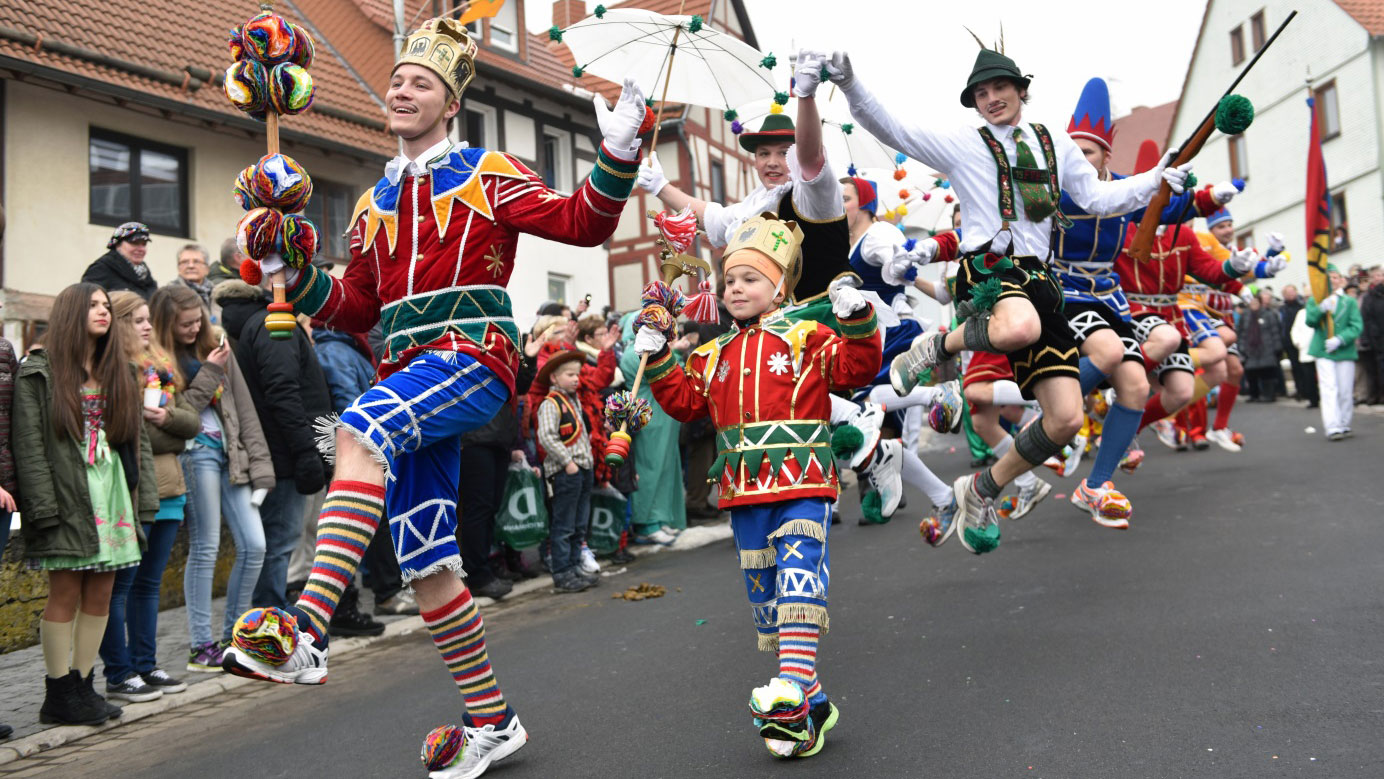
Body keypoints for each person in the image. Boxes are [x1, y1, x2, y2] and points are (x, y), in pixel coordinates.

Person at [219, 19, 647, 778]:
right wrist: (285, 268)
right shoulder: (374, 199)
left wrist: (616, 153)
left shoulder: (488, 170)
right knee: (427, 562)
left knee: (359, 426)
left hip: (471, 357)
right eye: (397, 82)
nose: (401, 90)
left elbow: (582, 223)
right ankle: (493, 720)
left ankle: (308, 629)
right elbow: (352, 305)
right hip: (407, 369)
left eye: (420, 83)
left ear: (451, 103)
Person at [831, 42, 1190, 551]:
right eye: (982, 92)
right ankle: (938, 347)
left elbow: (1097, 199)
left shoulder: (1056, 144)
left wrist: (1157, 182)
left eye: (1001, 87)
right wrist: (849, 84)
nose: (992, 98)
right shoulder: (963, 142)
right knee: (1020, 328)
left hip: (1040, 279)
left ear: (1022, 90)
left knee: (1065, 418)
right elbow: (893, 128)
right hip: (990, 270)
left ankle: (983, 487)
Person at [637, 214, 877, 757]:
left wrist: (858, 319)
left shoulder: (809, 335)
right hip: (744, 495)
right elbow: (681, 402)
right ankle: (812, 699)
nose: (735, 289)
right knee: (766, 603)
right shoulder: (711, 354)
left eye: (749, 278)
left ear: (780, 287)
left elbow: (857, 368)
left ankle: (789, 696)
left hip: (803, 484)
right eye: (729, 281)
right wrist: (655, 355)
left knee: (797, 583)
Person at [1052, 79, 1237, 526]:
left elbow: (1167, 209)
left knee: (1139, 387)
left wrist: (1209, 197)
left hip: (1110, 299)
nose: (1081, 159)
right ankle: (1057, 410)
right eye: (1073, 151)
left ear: (1105, 156)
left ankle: (1094, 484)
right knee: (1117, 356)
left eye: (1090, 151)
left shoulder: (1122, 190)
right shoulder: (1051, 192)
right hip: (1062, 294)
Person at [14, 283, 155, 725]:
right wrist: (42, 507)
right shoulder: (38, 371)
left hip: (111, 490)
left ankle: (82, 684)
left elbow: (137, 444)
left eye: (107, 306)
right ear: (72, 312)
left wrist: (144, 501)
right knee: (65, 590)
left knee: (103, 590)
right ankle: (57, 693)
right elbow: (29, 446)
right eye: (93, 305)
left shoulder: (118, 370)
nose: (103, 312)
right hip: (67, 490)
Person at [150, 284, 272, 672]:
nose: (192, 328)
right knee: (205, 548)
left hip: (231, 454)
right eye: (184, 324)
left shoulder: (216, 344)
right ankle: (201, 645)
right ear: (166, 324)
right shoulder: (157, 358)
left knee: (255, 546)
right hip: (194, 454)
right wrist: (212, 370)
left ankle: (233, 637)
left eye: (196, 320)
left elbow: (244, 407)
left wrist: (262, 466)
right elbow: (181, 416)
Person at [96, 292, 196, 703]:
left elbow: (189, 422)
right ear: (118, 324)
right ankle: (119, 672)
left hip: (170, 487)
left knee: (149, 584)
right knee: (122, 584)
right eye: (136, 320)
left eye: (146, 318)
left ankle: (146, 663)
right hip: (136, 490)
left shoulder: (161, 366)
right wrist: (172, 428)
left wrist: (170, 420)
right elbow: (135, 432)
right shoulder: (111, 370)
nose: (147, 326)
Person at [213, 277, 331, 615]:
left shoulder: (264, 321)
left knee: (277, 542)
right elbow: (283, 392)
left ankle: (267, 612)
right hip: (284, 455)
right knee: (278, 541)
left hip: (281, 450)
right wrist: (305, 451)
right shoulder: (273, 322)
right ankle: (268, 617)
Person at [617, 316, 688, 545]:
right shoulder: (633, 352)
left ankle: (661, 517)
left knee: (667, 467)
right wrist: (673, 353)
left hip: (663, 416)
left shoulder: (650, 348)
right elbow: (661, 372)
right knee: (649, 469)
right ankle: (647, 523)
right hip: (648, 417)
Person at [534, 351, 596, 593]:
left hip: (583, 467)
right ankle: (562, 573)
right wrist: (567, 462)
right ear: (554, 378)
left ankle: (573, 566)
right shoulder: (550, 404)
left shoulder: (573, 400)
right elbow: (546, 436)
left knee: (579, 524)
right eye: (570, 375)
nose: (575, 379)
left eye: (577, 375)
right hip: (566, 470)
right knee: (564, 525)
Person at [1305, 266, 1362, 440]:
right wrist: (1321, 308)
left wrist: (1341, 339)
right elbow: (1310, 321)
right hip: (1323, 351)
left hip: (1344, 350)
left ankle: (1344, 423)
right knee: (1329, 388)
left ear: (1341, 280)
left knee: (1345, 390)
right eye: (1329, 278)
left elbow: (1356, 326)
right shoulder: (1315, 300)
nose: (1333, 280)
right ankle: (1332, 426)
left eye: (1336, 277)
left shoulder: (1349, 301)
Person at [82, 223, 158, 300]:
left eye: (144, 244)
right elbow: (88, 301)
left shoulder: (145, 274)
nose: (141, 249)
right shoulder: (101, 269)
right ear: (117, 244)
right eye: (134, 243)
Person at [1237, 293, 1283, 401]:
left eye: (1256, 302)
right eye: (1252, 303)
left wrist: (1277, 346)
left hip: (1266, 347)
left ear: (1260, 303)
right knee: (1251, 373)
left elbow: (1275, 331)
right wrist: (1241, 347)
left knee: (1267, 373)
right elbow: (1241, 333)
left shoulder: (1268, 314)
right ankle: (1254, 395)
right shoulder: (1245, 315)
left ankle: (1269, 395)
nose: (1254, 304)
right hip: (1250, 349)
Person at [1361, 268, 1384, 404]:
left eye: (1382, 275)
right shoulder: (1368, 297)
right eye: (1377, 275)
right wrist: (1367, 338)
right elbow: (1365, 319)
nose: (1380, 278)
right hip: (1379, 339)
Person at [169, 244, 215, 311]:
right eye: (185, 262)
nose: (191, 266)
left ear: (207, 268)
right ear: (178, 268)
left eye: (196, 261)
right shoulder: (170, 295)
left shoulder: (218, 294)